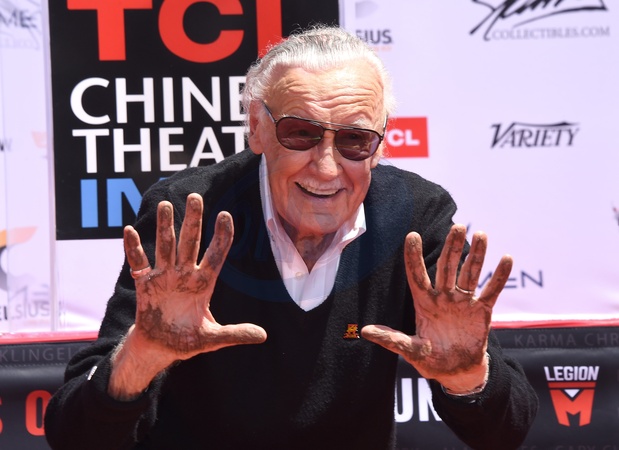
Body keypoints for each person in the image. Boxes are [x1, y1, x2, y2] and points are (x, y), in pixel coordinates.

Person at [44, 25, 538, 449]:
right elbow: (72, 433)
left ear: (380, 144)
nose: (326, 168)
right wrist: (142, 357)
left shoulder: (415, 217)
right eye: (300, 133)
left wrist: (465, 376)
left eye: (354, 140)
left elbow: (506, 432)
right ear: (257, 129)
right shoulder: (189, 214)